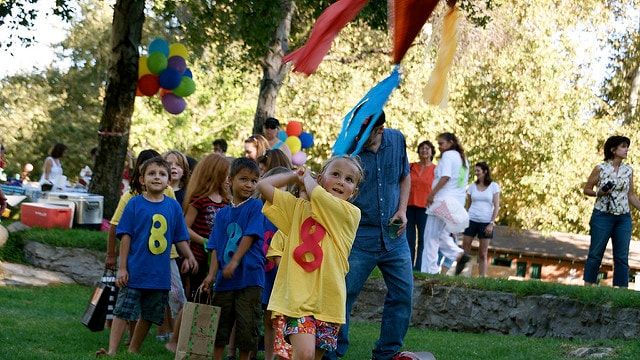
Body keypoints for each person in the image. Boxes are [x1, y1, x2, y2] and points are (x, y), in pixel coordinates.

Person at [325, 111, 413, 360]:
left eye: (368, 131)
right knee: (343, 295)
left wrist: (403, 210)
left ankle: (387, 354)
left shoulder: (397, 140)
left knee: (403, 295)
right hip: (359, 235)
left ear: (380, 129)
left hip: (395, 235)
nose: (362, 136)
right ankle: (332, 352)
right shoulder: (347, 152)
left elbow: (405, 177)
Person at [258, 156, 363, 360]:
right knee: (304, 354)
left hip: (329, 303)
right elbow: (264, 185)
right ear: (321, 178)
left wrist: (309, 180)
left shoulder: (350, 214)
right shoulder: (298, 208)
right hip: (298, 300)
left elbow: (319, 196)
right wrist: (295, 175)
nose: (342, 181)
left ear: (354, 192)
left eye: (349, 179)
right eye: (335, 174)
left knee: (311, 356)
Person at [96, 157, 198, 356]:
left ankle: (133, 349)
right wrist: (122, 267)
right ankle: (112, 351)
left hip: (159, 274)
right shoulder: (134, 204)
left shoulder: (173, 206)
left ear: (169, 180)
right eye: (152, 174)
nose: (157, 178)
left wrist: (189, 256)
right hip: (135, 270)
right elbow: (125, 237)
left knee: (150, 313)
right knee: (123, 310)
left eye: (162, 174)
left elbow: (179, 237)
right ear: (142, 179)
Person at [201, 158, 265, 360]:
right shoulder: (222, 214)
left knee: (247, 326)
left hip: (249, 278)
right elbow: (214, 246)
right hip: (224, 281)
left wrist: (236, 261)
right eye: (244, 179)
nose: (249, 184)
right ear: (230, 180)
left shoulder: (255, 206)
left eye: (254, 181)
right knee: (220, 325)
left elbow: (249, 235)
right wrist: (211, 276)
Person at [583, 135, 640, 287]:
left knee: (621, 257)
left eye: (627, 146)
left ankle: (620, 290)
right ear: (613, 150)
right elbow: (586, 189)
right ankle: (588, 287)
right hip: (602, 216)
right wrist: (599, 193)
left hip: (623, 218)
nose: (627, 149)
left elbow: (631, 195)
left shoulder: (628, 170)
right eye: (623, 146)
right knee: (596, 253)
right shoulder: (600, 168)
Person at [421, 132, 470, 275]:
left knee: (430, 235)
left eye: (441, 144)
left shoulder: (448, 156)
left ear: (450, 142)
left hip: (443, 200)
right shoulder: (463, 159)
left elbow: (445, 177)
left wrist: (431, 194)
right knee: (441, 234)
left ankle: (428, 270)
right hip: (456, 202)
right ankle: (458, 254)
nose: (440, 147)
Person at [461, 162, 501, 277]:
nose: (476, 173)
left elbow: (496, 206)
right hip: (471, 220)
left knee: (483, 253)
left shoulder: (494, 186)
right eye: (476, 170)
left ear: (485, 172)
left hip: (486, 223)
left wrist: (491, 223)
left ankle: (482, 277)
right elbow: (468, 206)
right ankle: (461, 275)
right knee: (465, 249)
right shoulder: (472, 187)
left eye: (478, 170)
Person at [407, 140, 436, 271]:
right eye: (422, 148)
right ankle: (407, 267)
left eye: (427, 148)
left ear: (432, 152)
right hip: (409, 206)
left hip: (426, 208)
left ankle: (419, 268)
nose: (424, 150)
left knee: (423, 240)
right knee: (409, 239)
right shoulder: (411, 166)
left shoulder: (436, 169)